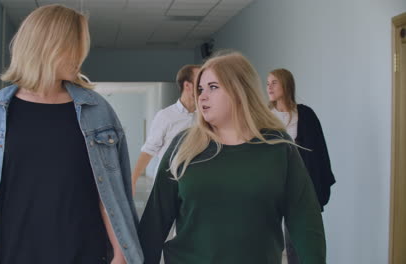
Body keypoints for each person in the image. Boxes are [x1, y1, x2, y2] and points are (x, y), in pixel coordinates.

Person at [0, 5, 143, 264]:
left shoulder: (97, 111)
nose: (81, 56)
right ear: (49, 46)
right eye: (76, 46)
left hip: (86, 253)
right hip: (13, 255)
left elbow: (110, 192)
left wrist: (120, 255)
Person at [138, 52, 326, 264]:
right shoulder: (183, 146)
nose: (202, 96)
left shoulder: (278, 147)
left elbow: (305, 221)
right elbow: (154, 222)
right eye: (201, 89)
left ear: (239, 91)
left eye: (213, 87)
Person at [267, 68, 335, 264]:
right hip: (272, 182)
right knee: (268, 238)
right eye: (268, 83)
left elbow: (319, 152)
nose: (269, 87)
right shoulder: (264, 117)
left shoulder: (305, 114)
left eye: (274, 83)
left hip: (298, 184)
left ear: (286, 85)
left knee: (296, 240)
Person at [131, 64, 200, 194]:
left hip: (194, 183)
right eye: (199, 80)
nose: (204, 84)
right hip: (168, 181)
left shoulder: (205, 117)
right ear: (187, 85)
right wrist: (133, 181)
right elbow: (149, 149)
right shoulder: (166, 116)